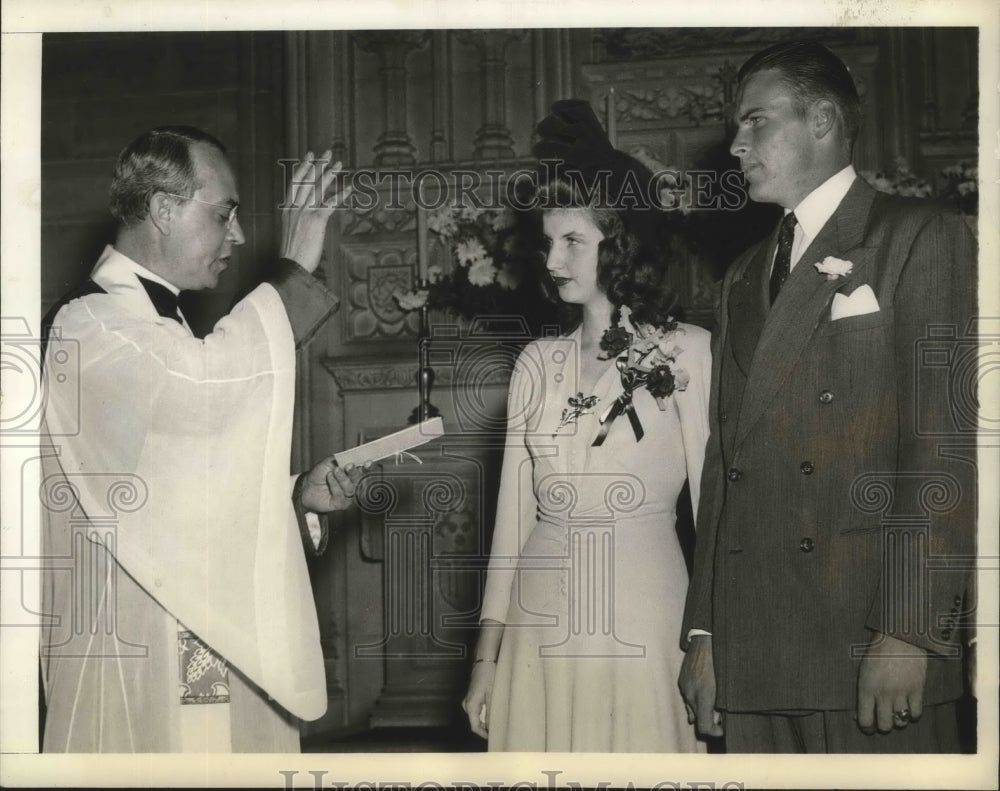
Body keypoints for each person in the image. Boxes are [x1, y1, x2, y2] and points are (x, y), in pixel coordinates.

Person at [678, 41, 977, 752]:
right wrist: (705, 633)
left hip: (866, 644)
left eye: (755, 122)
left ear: (821, 120)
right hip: (751, 653)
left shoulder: (919, 236)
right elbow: (724, 469)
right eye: (735, 127)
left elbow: (944, 447)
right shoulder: (743, 275)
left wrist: (909, 629)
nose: (735, 145)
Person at [40, 126, 361, 752]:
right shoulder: (90, 323)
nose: (237, 236)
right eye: (224, 214)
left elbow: (178, 480)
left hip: (192, 624)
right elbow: (205, 385)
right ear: (163, 208)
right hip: (131, 639)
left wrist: (294, 496)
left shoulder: (162, 326)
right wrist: (292, 270)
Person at [462, 100, 711, 752]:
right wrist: (485, 659)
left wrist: (712, 640)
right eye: (548, 242)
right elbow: (511, 524)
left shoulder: (687, 350)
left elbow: (717, 516)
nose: (552, 260)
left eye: (573, 240)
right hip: (538, 620)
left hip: (644, 606)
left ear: (621, 239)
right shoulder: (536, 362)